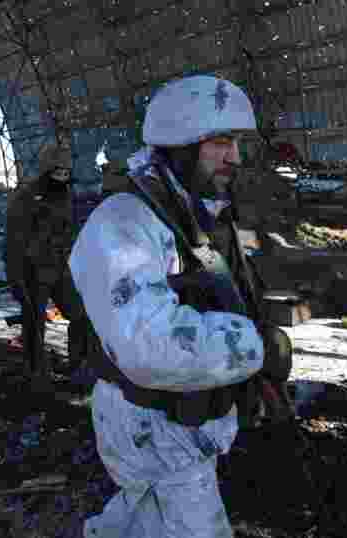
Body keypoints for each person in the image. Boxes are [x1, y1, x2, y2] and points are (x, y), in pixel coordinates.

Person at [68, 74, 294, 538]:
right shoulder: (123, 222)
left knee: (140, 519)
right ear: (178, 145)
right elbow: (149, 345)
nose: (235, 156)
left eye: (237, 142)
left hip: (187, 420)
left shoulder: (197, 213)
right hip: (154, 429)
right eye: (220, 142)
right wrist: (256, 348)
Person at [5, 141, 96, 387]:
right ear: (46, 171)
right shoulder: (26, 198)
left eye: (66, 173)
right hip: (32, 272)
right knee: (34, 325)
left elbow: (70, 232)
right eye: (57, 172)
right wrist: (16, 279)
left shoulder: (66, 195)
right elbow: (13, 243)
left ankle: (79, 366)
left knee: (80, 316)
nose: (62, 177)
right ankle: (36, 378)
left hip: (60, 270)